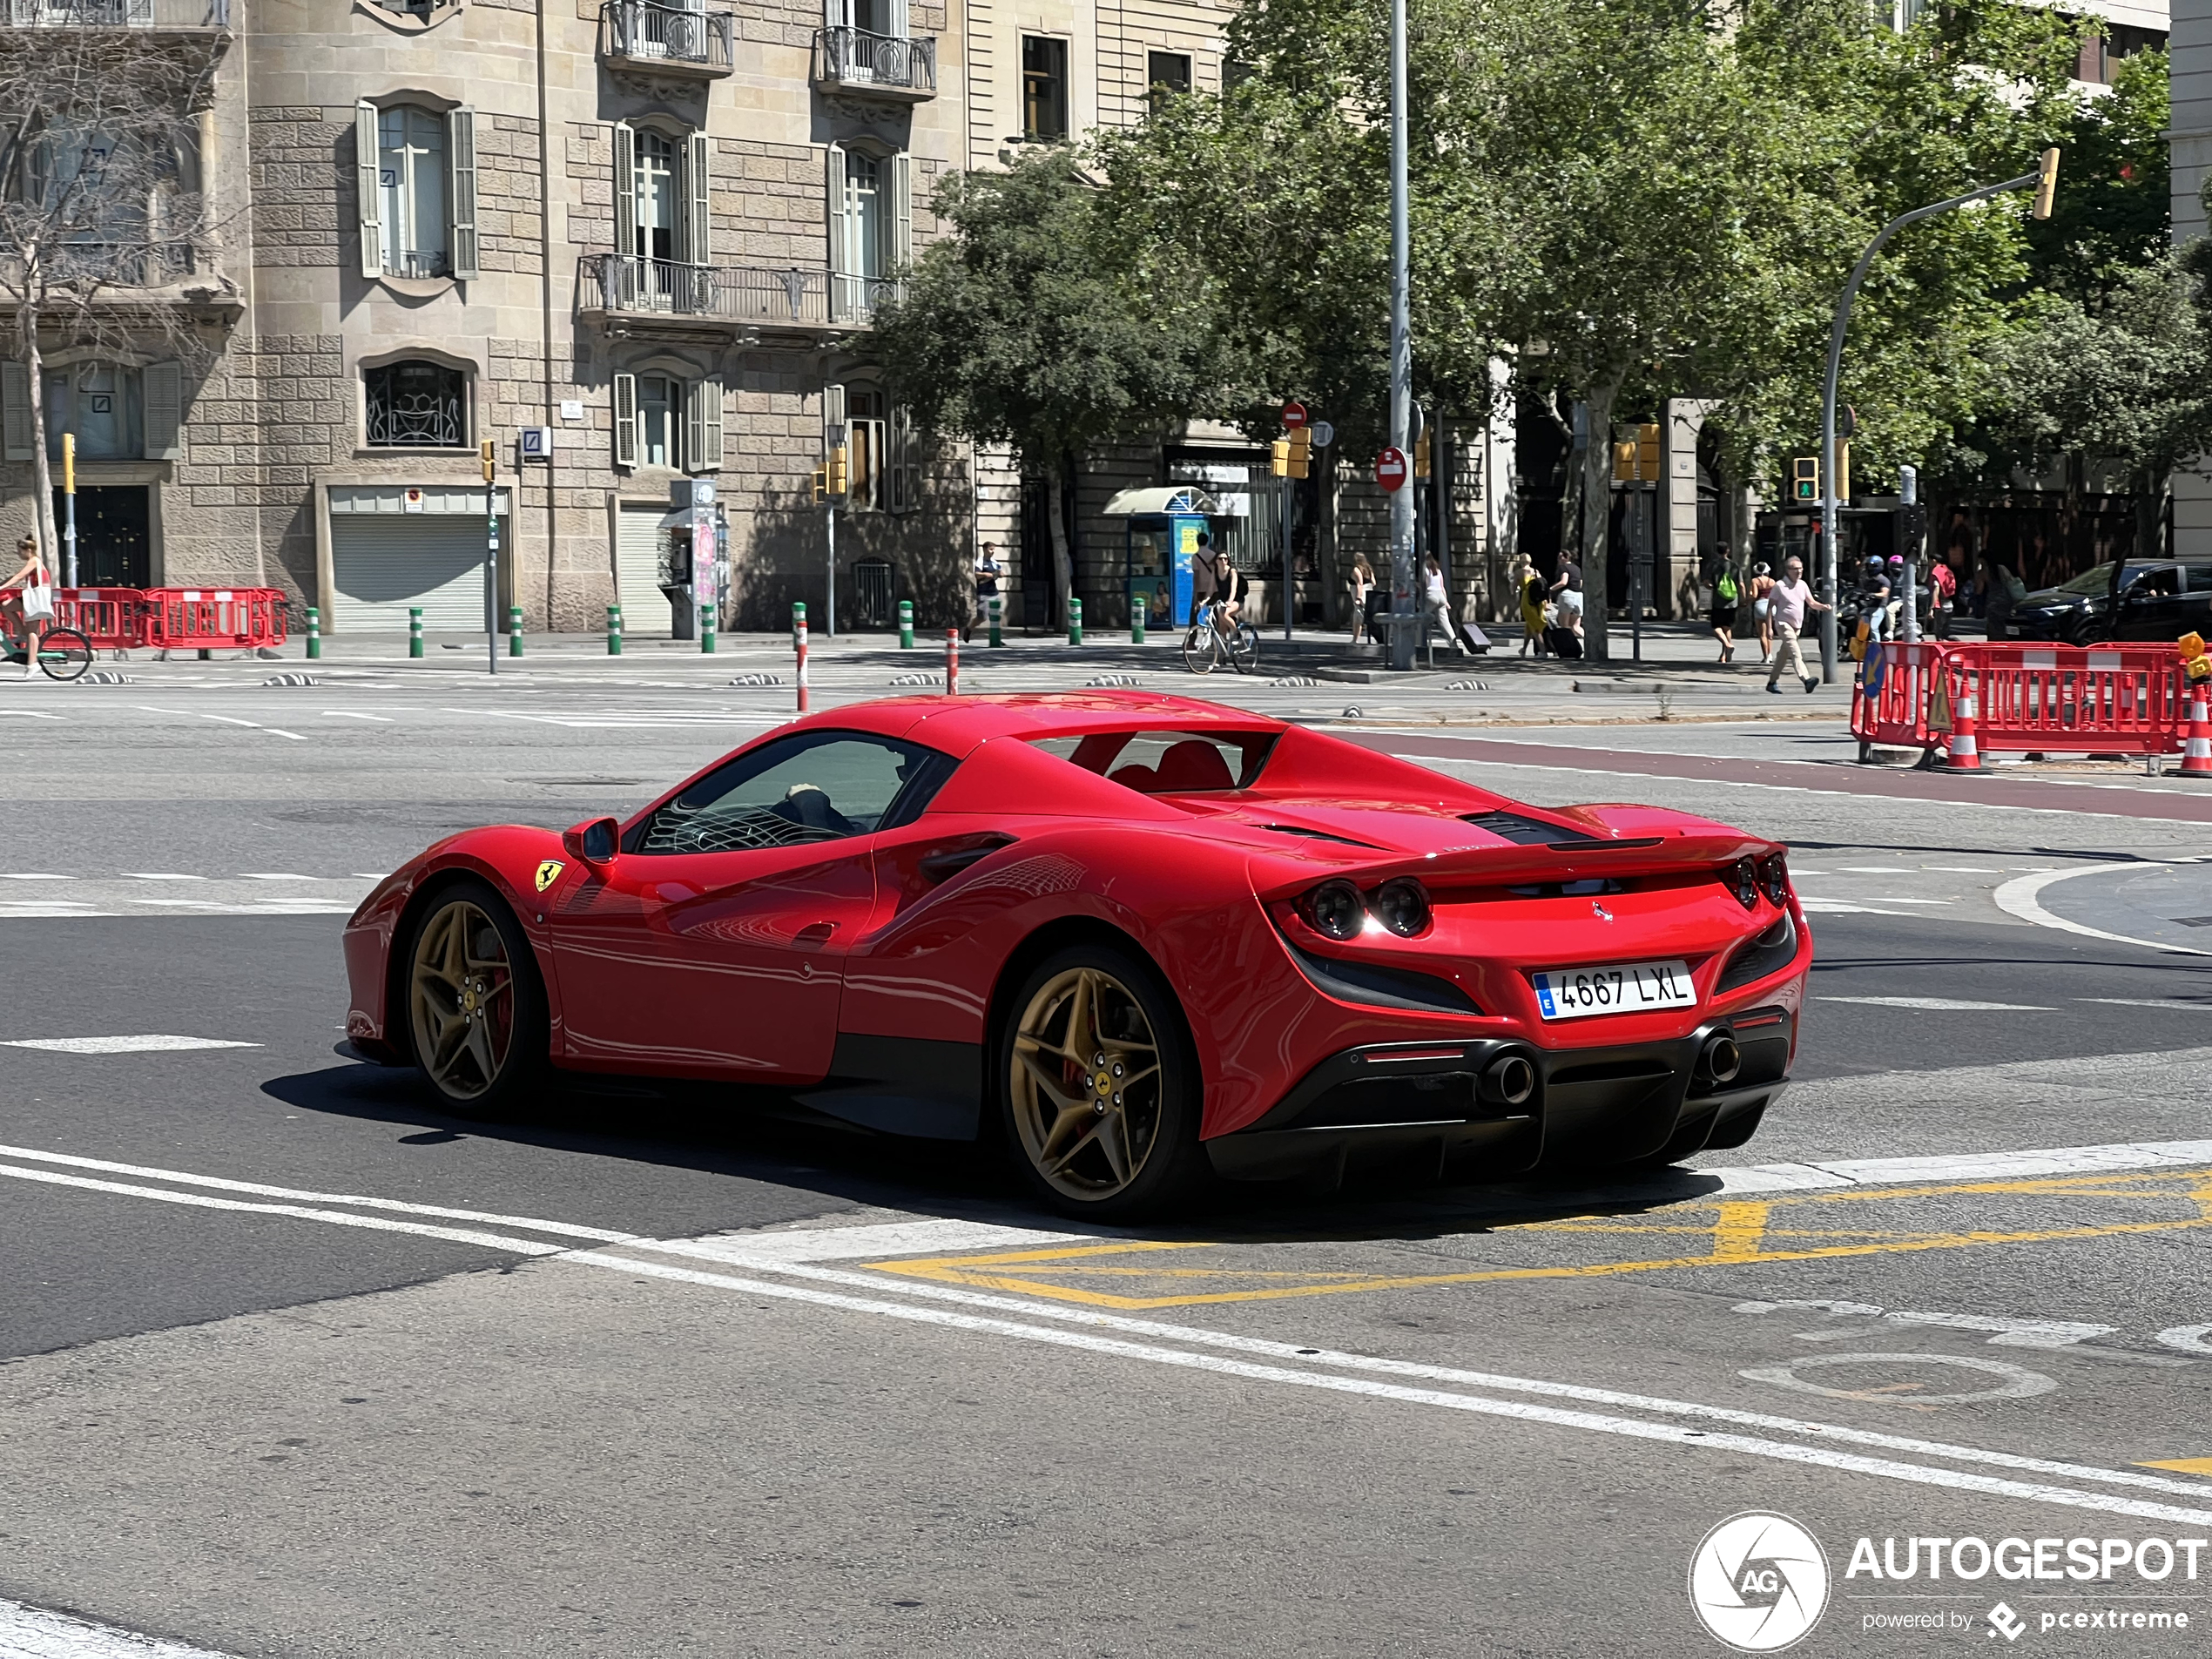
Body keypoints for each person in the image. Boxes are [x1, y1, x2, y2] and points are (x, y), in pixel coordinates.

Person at [1764, 555, 1830, 695]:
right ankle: (1806, 680)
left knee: (1783, 656)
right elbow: (1770, 607)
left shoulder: (1802, 585)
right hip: (1783, 624)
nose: (1799, 572)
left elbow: (1811, 603)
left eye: (1800, 568)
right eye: (1795, 569)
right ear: (1788, 570)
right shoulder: (1779, 586)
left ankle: (1772, 682)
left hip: (1797, 627)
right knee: (1796, 653)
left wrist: (1823, 607)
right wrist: (1769, 627)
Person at [2, 533, 47, 679]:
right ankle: (22, 633)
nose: (18, 554)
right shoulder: (32, 561)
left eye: (19, 551)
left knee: (32, 631)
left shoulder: (34, 560)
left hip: (37, 599)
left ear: (27, 550)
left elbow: (18, 577)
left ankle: (32, 664)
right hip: (32, 597)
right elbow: (14, 576)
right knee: (6, 605)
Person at [1421, 554, 1469, 657]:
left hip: (1431, 596)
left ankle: (1416, 643)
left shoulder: (1425, 571)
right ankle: (1454, 646)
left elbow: (1425, 586)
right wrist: (1446, 602)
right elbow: (1442, 587)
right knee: (1445, 623)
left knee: (1420, 619)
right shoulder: (1438, 571)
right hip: (1441, 597)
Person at [965, 541, 1003, 643]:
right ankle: (968, 629)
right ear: (985, 549)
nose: (992, 552)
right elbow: (977, 574)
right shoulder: (980, 561)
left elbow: (1001, 571)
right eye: (991, 549)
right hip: (984, 593)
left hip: (994, 592)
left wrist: (1000, 574)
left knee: (996, 616)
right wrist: (987, 575)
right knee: (982, 617)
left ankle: (996, 638)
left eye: (994, 549)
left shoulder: (994, 562)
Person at [1710, 545, 1739, 664]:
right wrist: (1743, 599)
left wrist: (1712, 586)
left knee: (1716, 627)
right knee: (1727, 628)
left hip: (1718, 601)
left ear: (1716, 551)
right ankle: (1725, 655)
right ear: (1728, 550)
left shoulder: (1713, 565)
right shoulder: (1734, 565)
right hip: (1732, 601)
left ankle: (1727, 645)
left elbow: (1707, 582)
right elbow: (1741, 584)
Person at [1550, 555, 1584, 638]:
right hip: (1578, 596)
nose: (1559, 560)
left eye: (1560, 557)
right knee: (1576, 627)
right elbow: (1580, 583)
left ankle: (1567, 647)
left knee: (1564, 627)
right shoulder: (1577, 568)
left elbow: (1564, 582)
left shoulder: (1563, 567)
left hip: (1567, 596)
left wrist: (1551, 589)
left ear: (1565, 558)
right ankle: (1588, 640)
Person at [1749, 562, 1777, 663]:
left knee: (1762, 634)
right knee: (1770, 632)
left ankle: (1766, 656)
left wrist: (1749, 596)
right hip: (1771, 607)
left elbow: (1755, 595)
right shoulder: (1772, 581)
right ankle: (1770, 655)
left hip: (1760, 605)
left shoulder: (1755, 581)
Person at [1519, 570, 1549, 658]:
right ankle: (1523, 649)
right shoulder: (1535, 571)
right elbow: (1543, 585)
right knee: (1529, 627)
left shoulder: (1519, 573)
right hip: (1539, 603)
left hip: (1527, 602)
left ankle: (1543, 651)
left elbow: (1513, 589)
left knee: (1535, 628)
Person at [1348, 553, 1374, 643]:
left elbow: (1360, 583)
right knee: (1362, 616)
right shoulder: (1368, 569)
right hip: (1369, 592)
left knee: (1357, 618)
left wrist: (1358, 598)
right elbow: (1374, 582)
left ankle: (1355, 639)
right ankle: (1357, 639)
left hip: (1360, 593)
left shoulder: (1356, 569)